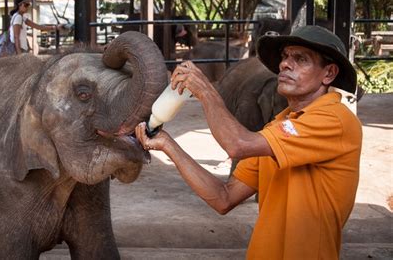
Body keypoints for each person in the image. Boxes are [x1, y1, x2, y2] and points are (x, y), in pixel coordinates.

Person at [135, 25, 362, 259]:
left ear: (329, 73)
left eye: (301, 59)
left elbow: (238, 145)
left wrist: (206, 91)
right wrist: (168, 145)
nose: (285, 64)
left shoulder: (336, 119)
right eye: (285, 56)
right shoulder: (276, 129)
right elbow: (224, 197)